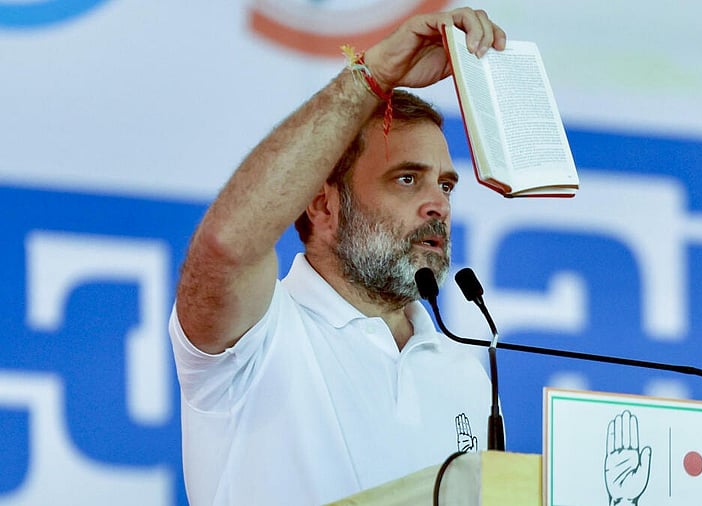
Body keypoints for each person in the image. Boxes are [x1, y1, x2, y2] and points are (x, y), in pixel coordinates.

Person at [167, 7, 507, 505]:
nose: (438, 204)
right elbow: (226, 246)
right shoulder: (259, 336)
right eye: (407, 179)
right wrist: (372, 76)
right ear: (324, 203)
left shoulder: (463, 370)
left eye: (446, 185)